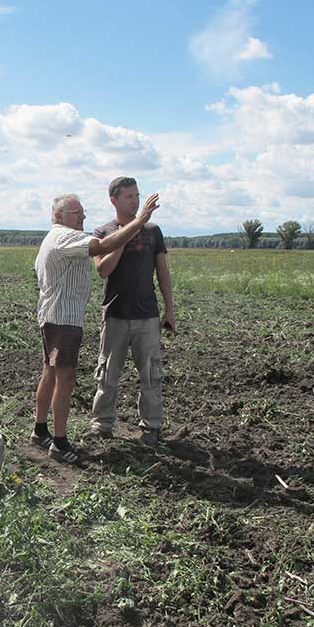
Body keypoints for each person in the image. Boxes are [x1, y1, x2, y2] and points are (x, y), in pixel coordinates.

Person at [33, 192, 159, 464]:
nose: (83, 217)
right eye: (77, 213)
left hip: (52, 317)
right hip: (63, 320)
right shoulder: (64, 237)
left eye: (83, 212)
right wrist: (138, 222)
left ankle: (40, 430)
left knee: (50, 374)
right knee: (64, 379)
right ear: (59, 216)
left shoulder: (52, 237)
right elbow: (101, 247)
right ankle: (60, 442)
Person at [89, 176, 175, 446]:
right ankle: (102, 424)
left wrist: (169, 310)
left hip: (147, 316)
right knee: (108, 374)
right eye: (129, 197)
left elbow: (162, 271)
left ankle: (151, 427)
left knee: (150, 374)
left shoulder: (153, 231)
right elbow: (103, 270)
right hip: (115, 315)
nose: (136, 201)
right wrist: (126, 235)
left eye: (137, 195)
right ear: (114, 200)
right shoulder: (102, 233)